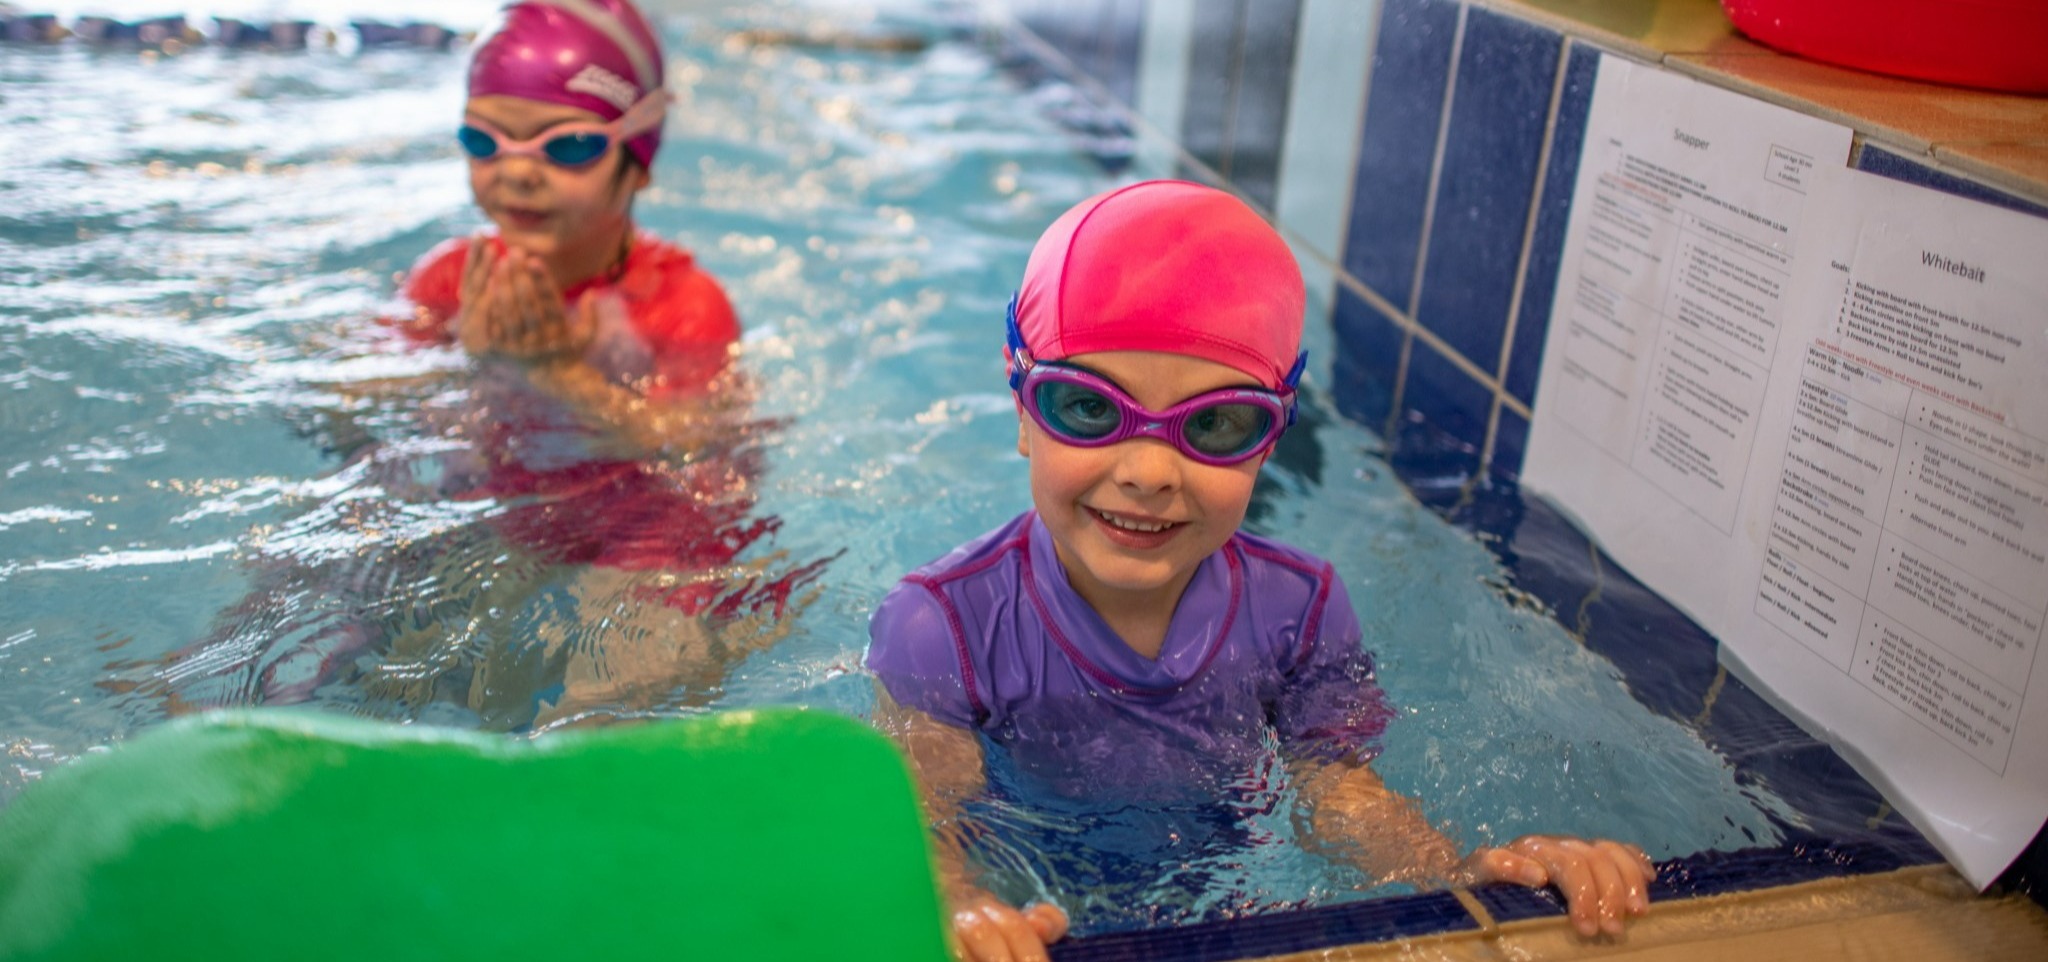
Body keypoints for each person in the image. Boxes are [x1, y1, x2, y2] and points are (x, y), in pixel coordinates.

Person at [866, 180, 1656, 961]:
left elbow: (1342, 798)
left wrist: (1463, 877)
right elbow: (931, 824)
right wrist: (959, 907)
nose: (1148, 471)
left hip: (1227, 901)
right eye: (1088, 408)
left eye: (1214, 424)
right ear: (1022, 413)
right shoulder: (943, 626)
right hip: (1032, 912)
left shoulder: (1299, 609)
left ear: (1270, 440)